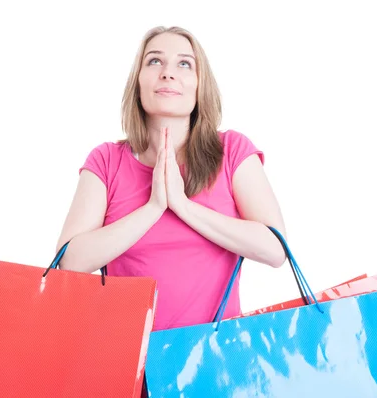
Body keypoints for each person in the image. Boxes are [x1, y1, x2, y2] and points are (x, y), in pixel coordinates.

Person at [55, 26, 287, 332]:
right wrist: (153, 207)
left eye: (184, 64)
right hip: (128, 361)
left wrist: (183, 206)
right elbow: (69, 262)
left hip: (214, 360)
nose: (168, 73)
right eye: (154, 61)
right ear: (137, 83)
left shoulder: (232, 151)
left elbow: (275, 249)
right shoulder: (106, 160)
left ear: (199, 86)